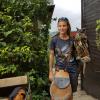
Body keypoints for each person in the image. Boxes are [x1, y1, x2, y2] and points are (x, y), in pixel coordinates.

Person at [49, 17, 79, 100]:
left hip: (72, 69)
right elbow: (51, 55)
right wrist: (51, 72)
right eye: (60, 26)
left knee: (69, 94)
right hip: (60, 70)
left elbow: (77, 55)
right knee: (55, 94)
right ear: (58, 27)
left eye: (64, 25)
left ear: (68, 26)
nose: (62, 28)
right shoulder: (54, 40)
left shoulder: (72, 40)